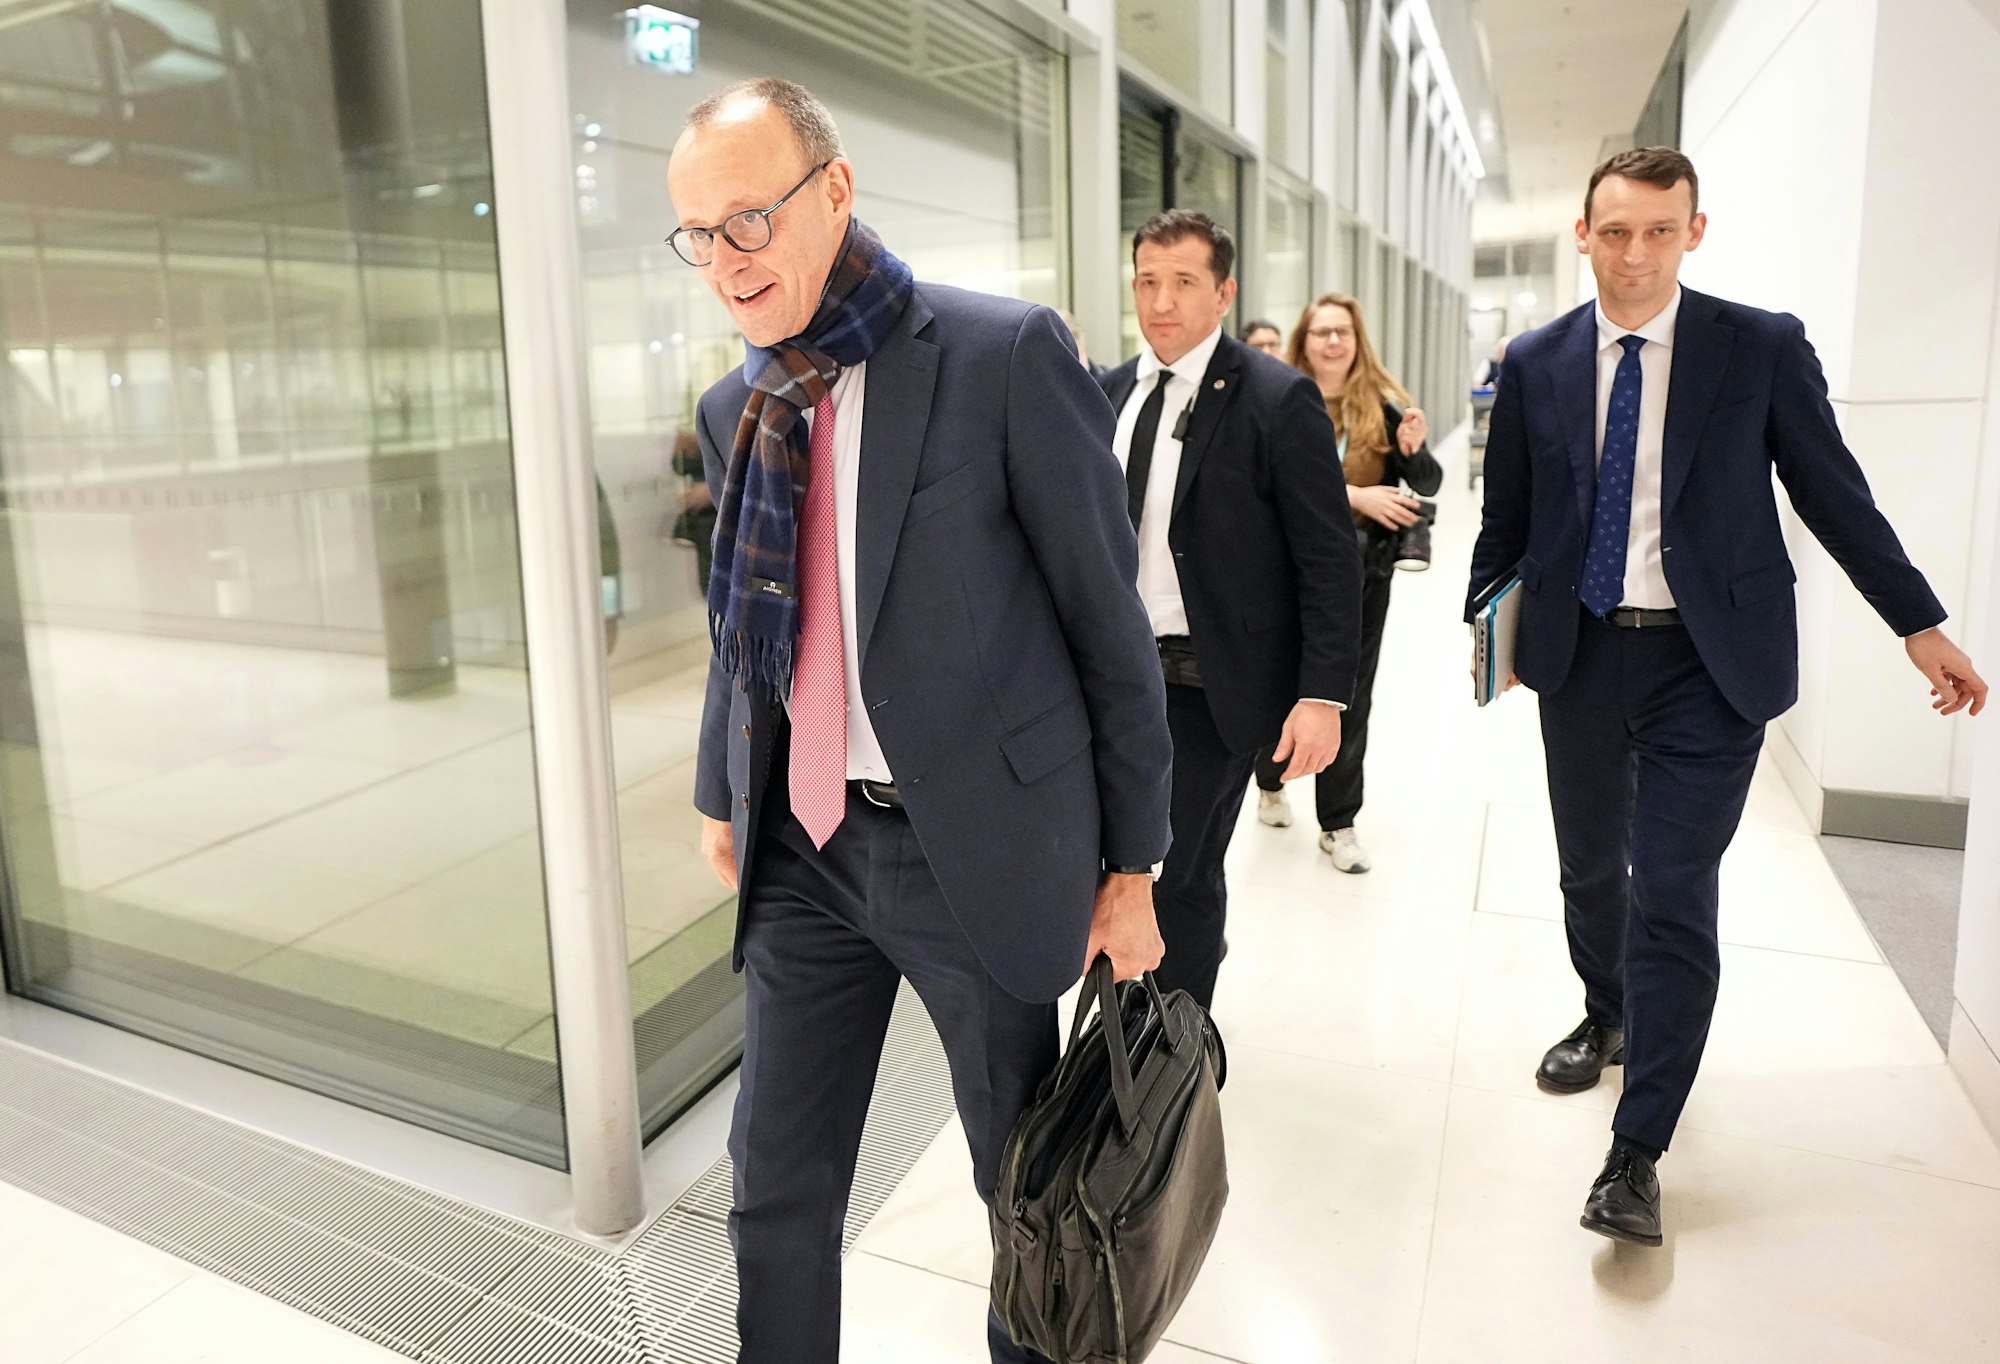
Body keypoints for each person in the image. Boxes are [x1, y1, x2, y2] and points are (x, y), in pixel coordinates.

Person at [673, 79, 1173, 1362]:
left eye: (748, 219)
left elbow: (1106, 624)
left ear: (833, 190)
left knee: (1026, 1191)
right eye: (698, 234)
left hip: (980, 848)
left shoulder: (1000, 356)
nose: (725, 261)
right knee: (773, 1186)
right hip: (804, 849)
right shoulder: (738, 408)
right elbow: (742, 628)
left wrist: (1133, 865)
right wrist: (722, 794)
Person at [1466, 147, 1987, 1248]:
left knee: (1670, 887)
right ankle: (1607, 1011)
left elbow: (1834, 494)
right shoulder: (1536, 359)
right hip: (1579, 654)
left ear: (1694, 232)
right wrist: (1487, 628)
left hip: (1710, 665)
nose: (1636, 253)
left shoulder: (1758, 347)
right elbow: (1506, 514)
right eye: (1616, 231)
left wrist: (1917, 623)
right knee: (1585, 869)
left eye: (1660, 230)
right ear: (1583, 233)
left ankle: (1636, 1149)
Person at [1096, 210, 1362, 1010]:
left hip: (1205, 684)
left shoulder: (1276, 398)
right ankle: (1118, 1035)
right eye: (1147, 281)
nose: (1161, 301)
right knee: (1106, 869)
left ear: (1224, 292)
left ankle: (1175, 1048)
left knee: (1174, 872)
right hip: (1104, 679)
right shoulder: (1108, 393)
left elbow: (1328, 559)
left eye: (1184, 282)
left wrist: (1322, 696)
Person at [1252, 293, 1440, 872]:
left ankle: (1338, 822)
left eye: (1343, 332)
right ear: (1303, 341)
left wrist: (1413, 451)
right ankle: (1270, 781)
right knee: (1275, 683)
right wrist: (1354, 495)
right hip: (1282, 570)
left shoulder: (1381, 408)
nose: (1333, 341)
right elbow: (1258, 485)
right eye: (1322, 332)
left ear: (1358, 342)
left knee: (1346, 695)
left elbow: (1427, 482)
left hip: (1361, 575)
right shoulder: (1276, 400)